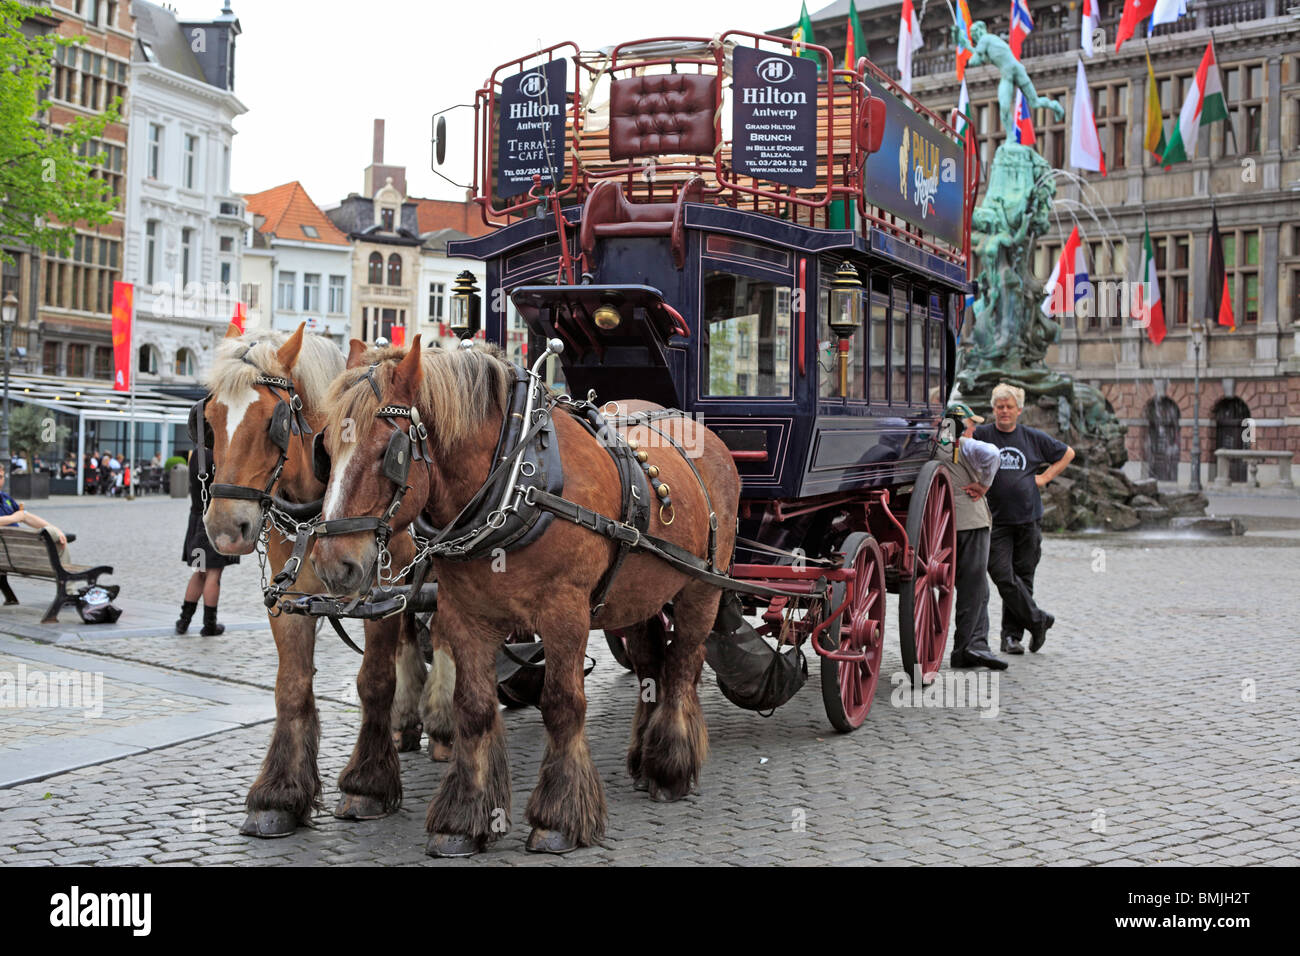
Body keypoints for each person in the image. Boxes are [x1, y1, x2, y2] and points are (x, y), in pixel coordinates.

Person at [974, 383, 1075, 654]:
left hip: (1029, 519)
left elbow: (1067, 453)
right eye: (999, 407)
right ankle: (1038, 620)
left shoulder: (1031, 437)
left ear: (1019, 410)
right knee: (1002, 575)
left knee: (1024, 578)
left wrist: (1044, 478)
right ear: (993, 409)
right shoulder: (983, 435)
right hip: (996, 520)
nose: (1004, 411)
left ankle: (1011, 637)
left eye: (1009, 407)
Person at [933, 401, 1006, 670]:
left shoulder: (933, 446)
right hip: (970, 523)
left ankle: (974, 644)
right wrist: (984, 485)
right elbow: (993, 454)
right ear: (962, 425)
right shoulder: (965, 445)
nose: (974, 427)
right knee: (975, 586)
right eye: (971, 423)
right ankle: (969, 646)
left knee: (976, 587)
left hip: (939, 526)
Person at [178, 439, 236, 635]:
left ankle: (183, 621)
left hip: (196, 522)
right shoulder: (220, 454)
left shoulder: (196, 454)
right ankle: (209, 624)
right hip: (216, 520)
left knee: (199, 571)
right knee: (213, 573)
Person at [0, 464, 68, 551]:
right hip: (14, 549)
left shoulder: (5, 498)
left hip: (16, 547)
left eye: (0, 477)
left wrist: (54, 529)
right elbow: (20, 516)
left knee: (58, 539)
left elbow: (25, 516)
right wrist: (14, 518)